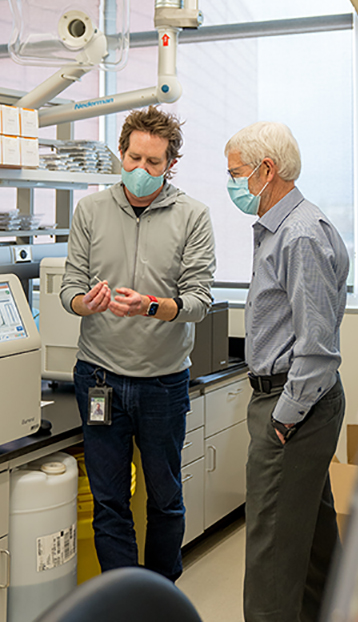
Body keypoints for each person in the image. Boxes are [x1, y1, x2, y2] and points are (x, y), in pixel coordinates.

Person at [60, 105, 216, 582]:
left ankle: (160, 596)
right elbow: (69, 289)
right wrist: (85, 304)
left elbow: (199, 301)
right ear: (121, 153)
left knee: (166, 499)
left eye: (153, 163)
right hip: (100, 378)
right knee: (110, 501)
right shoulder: (90, 210)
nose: (141, 171)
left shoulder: (193, 215)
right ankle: (124, 601)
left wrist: (151, 305)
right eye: (133, 158)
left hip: (162, 384)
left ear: (171, 165)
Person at [224, 121, 349, 622]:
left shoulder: (298, 235)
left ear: (266, 170)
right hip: (292, 402)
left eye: (235, 174)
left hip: (294, 406)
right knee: (313, 541)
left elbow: (316, 348)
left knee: (272, 554)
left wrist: (284, 417)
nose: (231, 184)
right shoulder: (283, 230)